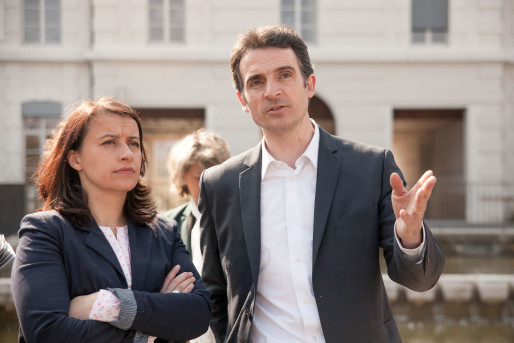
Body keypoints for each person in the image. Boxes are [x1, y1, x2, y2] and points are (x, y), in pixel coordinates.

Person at [198, 25, 445, 343]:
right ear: (243, 100)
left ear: (309, 84)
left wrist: (410, 237)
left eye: (284, 75)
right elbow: (216, 293)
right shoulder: (220, 184)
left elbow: (421, 281)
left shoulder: (370, 168)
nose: (272, 91)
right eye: (256, 82)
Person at [11, 97, 211, 343]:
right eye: (109, 142)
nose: (127, 154)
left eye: (134, 143)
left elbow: (198, 315)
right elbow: (47, 333)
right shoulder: (46, 232)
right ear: (75, 159)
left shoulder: (163, 233)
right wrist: (151, 326)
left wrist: (110, 303)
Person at [164, 129, 230, 343]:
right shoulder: (166, 224)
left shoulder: (238, 219)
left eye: (214, 174)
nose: (207, 184)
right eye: (198, 177)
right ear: (182, 177)